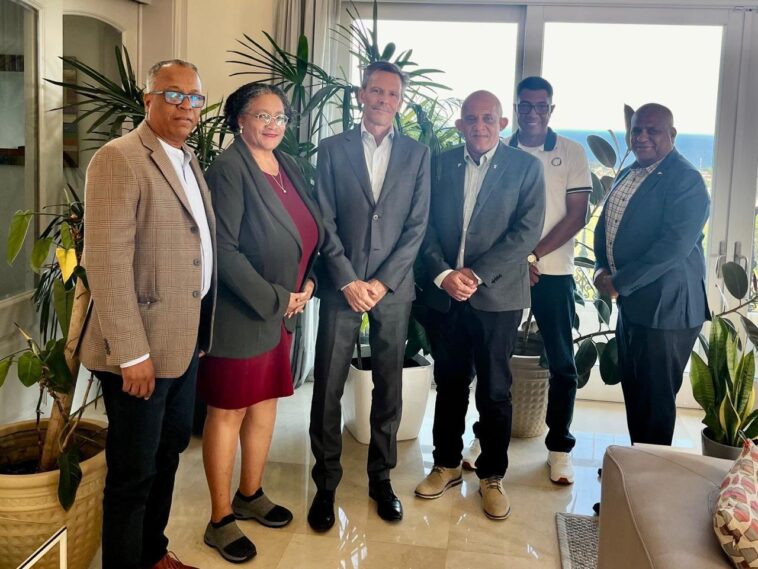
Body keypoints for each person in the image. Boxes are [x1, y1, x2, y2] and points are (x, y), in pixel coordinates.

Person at [77, 59, 215, 569]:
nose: (186, 106)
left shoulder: (187, 158)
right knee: (133, 474)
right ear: (148, 98)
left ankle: (153, 554)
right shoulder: (119, 158)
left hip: (182, 342)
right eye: (173, 94)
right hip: (139, 352)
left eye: (194, 98)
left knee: (168, 453)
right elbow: (106, 263)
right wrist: (132, 353)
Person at [197, 83, 323, 563]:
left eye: (280, 117)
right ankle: (220, 518)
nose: (273, 125)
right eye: (262, 115)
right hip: (242, 314)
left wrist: (308, 282)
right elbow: (223, 251)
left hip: (281, 314)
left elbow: (309, 232)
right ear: (239, 120)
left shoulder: (286, 164)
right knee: (228, 413)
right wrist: (277, 297)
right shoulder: (228, 170)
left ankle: (250, 493)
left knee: (265, 404)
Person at [308, 61, 430, 530]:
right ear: (362, 94)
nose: (384, 100)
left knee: (389, 385)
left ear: (401, 101)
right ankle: (325, 484)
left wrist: (382, 282)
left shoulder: (418, 154)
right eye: (376, 91)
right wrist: (346, 278)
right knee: (328, 385)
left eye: (393, 94)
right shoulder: (332, 148)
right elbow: (323, 219)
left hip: (392, 289)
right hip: (342, 286)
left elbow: (417, 226)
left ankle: (382, 479)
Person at [414, 90, 545, 520]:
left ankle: (492, 475)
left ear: (503, 123)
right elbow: (424, 226)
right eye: (471, 119)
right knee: (450, 383)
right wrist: (443, 274)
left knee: (494, 389)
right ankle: (446, 465)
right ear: (460, 125)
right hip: (446, 294)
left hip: (498, 296)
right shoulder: (440, 164)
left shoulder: (525, 168)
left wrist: (475, 274)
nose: (479, 126)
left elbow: (526, 232)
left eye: (488, 118)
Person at [462, 76, 592, 485]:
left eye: (541, 106)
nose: (532, 112)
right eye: (525, 105)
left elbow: (577, 215)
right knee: (490, 362)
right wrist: (515, 259)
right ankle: (483, 439)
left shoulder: (571, 152)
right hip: (500, 274)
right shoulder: (498, 149)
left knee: (562, 362)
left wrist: (531, 255)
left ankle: (559, 448)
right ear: (514, 111)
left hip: (552, 271)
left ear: (551, 109)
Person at [594, 103, 709, 446]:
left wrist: (618, 283)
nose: (642, 137)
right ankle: (636, 465)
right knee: (636, 392)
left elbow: (673, 247)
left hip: (667, 310)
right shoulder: (630, 172)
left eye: (653, 130)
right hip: (633, 303)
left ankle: (650, 473)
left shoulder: (686, 180)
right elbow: (606, 225)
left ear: (672, 134)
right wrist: (600, 266)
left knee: (655, 403)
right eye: (636, 130)